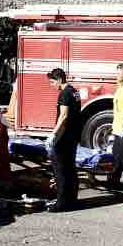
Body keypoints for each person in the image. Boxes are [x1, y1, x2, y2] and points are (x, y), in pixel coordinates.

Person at [45, 68, 81, 212]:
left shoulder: (65, 93)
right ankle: (72, 200)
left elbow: (64, 116)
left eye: (53, 82)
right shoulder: (74, 91)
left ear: (60, 79)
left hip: (64, 136)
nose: (52, 85)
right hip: (73, 135)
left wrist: (54, 135)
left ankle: (62, 203)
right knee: (70, 168)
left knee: (60, 170)